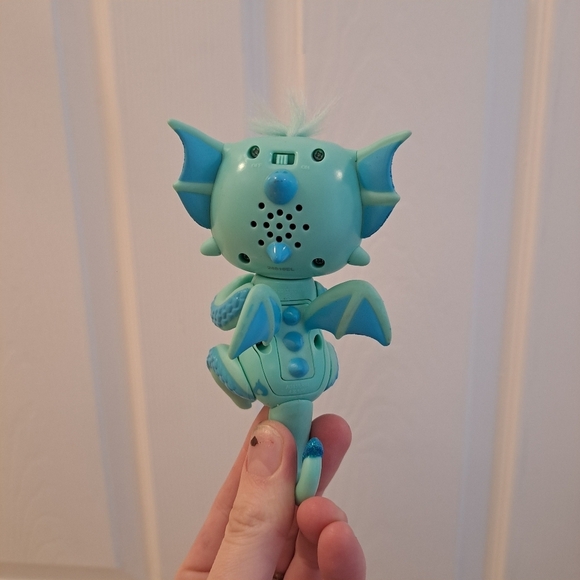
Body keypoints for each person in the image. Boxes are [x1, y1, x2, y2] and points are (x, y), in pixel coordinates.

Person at [175, 406, 366, 580]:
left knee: (324, 523)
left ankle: (312, 460)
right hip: (300, 478)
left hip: (301, 478)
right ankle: (312, 459)